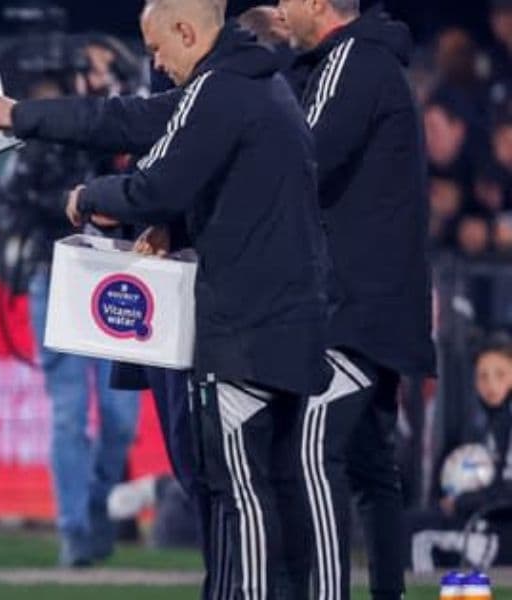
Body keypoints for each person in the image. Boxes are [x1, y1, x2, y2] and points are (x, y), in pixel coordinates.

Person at [0, 0, 331, 596]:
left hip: (244, 334)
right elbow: (128, 121)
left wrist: (90, 195)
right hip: (282, 327)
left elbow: (153, 182)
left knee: (238, 496)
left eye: (159, 50)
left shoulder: (219, 89)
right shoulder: (254, 85)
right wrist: (26, 116)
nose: (157, 65)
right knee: (259, 493)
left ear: (188, 32)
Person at [278, 2, 437, 597]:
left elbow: (301, 156)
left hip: (355, 308)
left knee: (311, 451)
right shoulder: (366, 60)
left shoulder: (353, 60)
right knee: (373, 469)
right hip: (381, 303)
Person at [0, 71, 142, 567]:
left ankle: (95, 504)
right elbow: (8, 207)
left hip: (109, 277)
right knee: (68, 414)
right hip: (54, 279)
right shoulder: (31, 153)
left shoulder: (108, 132)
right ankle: (74, 528)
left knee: (121, 419)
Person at [405, 341, 512, 572]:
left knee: (413, 534)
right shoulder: (482, 424)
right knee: (412, 520)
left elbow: (507, 490)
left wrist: (461, 503)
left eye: (500, 374)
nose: (490, 384)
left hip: (499, 530)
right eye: (482, 376)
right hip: (478, 519)